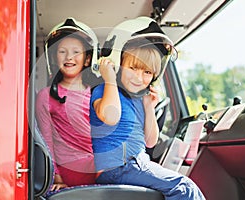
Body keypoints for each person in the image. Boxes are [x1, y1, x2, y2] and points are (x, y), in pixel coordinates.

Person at [90, 16, 206, 200]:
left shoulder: (139, 100)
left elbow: (151, 141)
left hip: (137, 163)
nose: (139, 77)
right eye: (134, 68)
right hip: (118, 167)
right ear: (117, 63)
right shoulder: (104, 91)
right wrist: (110, 78)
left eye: (147, 72)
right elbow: (110, 116)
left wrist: (149, 106)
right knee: (184, 188)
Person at [35, 17, 99, 192]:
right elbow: (47, 141)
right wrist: (56, 177)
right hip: (69, 171)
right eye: (62, 51)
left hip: (99, 168)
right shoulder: (46, 96)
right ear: (54, 59)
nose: (69, 57)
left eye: (76, 52)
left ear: (87, 60)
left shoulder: (96, 94)